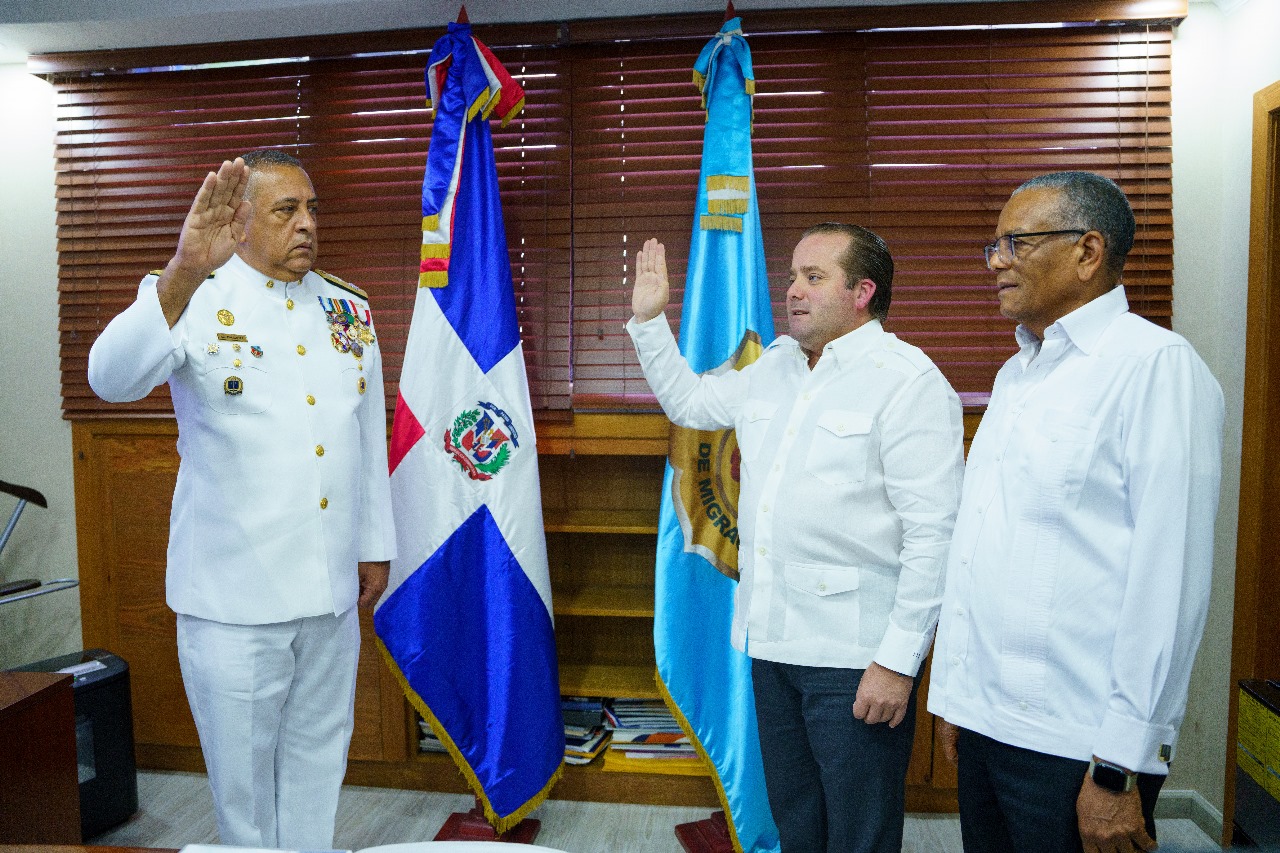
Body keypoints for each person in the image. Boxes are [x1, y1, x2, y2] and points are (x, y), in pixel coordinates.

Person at [87, 150, 396, 849]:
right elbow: (108, 378)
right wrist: (182, 271)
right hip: (232, 600)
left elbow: (364, 434)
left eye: (313, 209)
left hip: (330, 591)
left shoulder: (347, 308)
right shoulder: (195, 298)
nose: (308, 224)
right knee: (245, 795)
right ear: (241, 219)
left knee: (319, 767)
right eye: (288, 211)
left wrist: (375, 544)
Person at [628, 224, 964, 852]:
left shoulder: (908, 381)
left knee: (858, 831)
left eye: (814, 277)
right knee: (797, 817)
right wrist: (650, 322)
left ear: (862, 291)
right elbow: (692, 404)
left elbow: (933, 534)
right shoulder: (777, 364)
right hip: (771, 639)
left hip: (855, 657)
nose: (793, 291)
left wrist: (898, 661)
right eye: (791, 276)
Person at [927, 171, 1224, 853]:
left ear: (1088, 252)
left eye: (1016, 242)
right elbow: (983, 544)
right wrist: (958, 695)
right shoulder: (1016, 374)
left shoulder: (1154, 367)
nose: (996, 260)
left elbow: (1169, 584)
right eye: (993, 245)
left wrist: (1120, 765)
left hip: (1079, 747)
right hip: (988, 726)